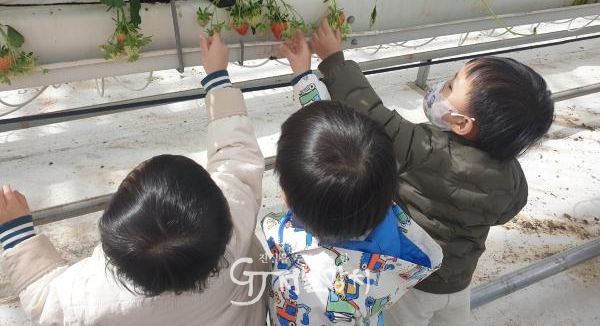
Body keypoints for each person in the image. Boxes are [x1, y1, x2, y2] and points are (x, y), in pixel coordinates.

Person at [0, 32, 268, 325]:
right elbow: (236, 153)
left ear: (113, 252)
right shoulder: (237, 222)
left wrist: (16, 234)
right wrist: (217, 77)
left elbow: (46, 302)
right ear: (220, 206)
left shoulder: (96, 297)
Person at [310, 19, 555, 325]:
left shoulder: (425, 148)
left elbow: (372, 116)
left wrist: (334, 62)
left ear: (462, 123)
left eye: (451, 86)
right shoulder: (514, 179)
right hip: (457, 283)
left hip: (412, 280)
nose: (441, 87)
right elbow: (506, 213)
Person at [260, 32, 443, 325]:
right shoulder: (378, 210)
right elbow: (329, 141)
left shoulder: (308, 289)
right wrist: (304, 78)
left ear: (287, 198)